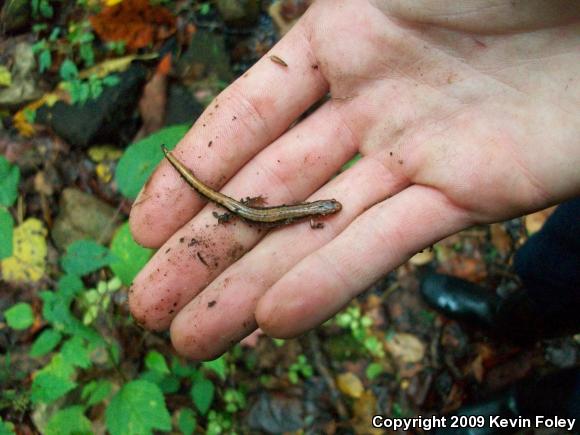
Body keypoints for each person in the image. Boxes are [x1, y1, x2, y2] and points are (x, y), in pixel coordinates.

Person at [128, 0, 580, 364]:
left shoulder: (309, 214)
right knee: (238, 211)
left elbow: (303, 216)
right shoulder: (310, 215)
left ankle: (534, 329)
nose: (327, 210)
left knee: (247, 211)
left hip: (252, 210)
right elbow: (304, 217)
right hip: (246, 210)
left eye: (326, 210)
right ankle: (530, 311)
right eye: (327, 209)